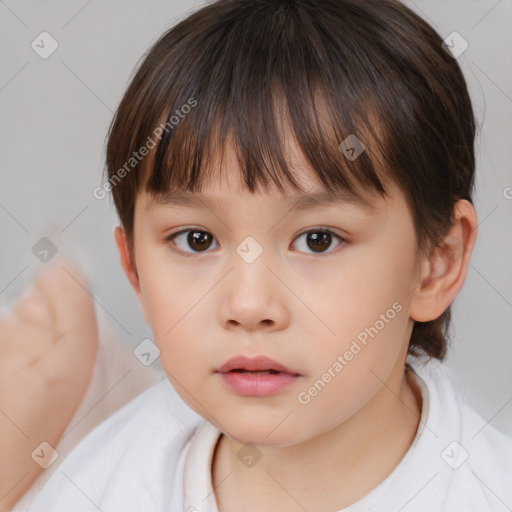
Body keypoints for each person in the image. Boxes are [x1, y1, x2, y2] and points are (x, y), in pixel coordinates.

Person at [13, 0, 512, 510]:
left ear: (435, 264)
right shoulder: (102, 482)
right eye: (196, 240)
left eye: (318, 239)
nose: (249, 306)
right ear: (135, 273)